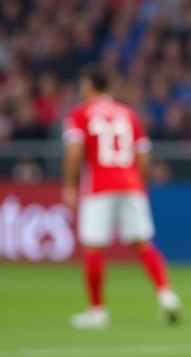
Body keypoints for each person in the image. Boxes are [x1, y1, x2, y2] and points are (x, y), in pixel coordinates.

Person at [62, 66, 181, 329]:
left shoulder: (80, 114)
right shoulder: (129, 114)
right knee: (142, 244)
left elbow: (74, 152)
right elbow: (143, 154)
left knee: (94, 248)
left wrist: (69, 186)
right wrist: (140, 182)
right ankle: (167, 295)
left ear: (89, 86)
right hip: (131, 183)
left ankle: (97, 311)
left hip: (99, 186)